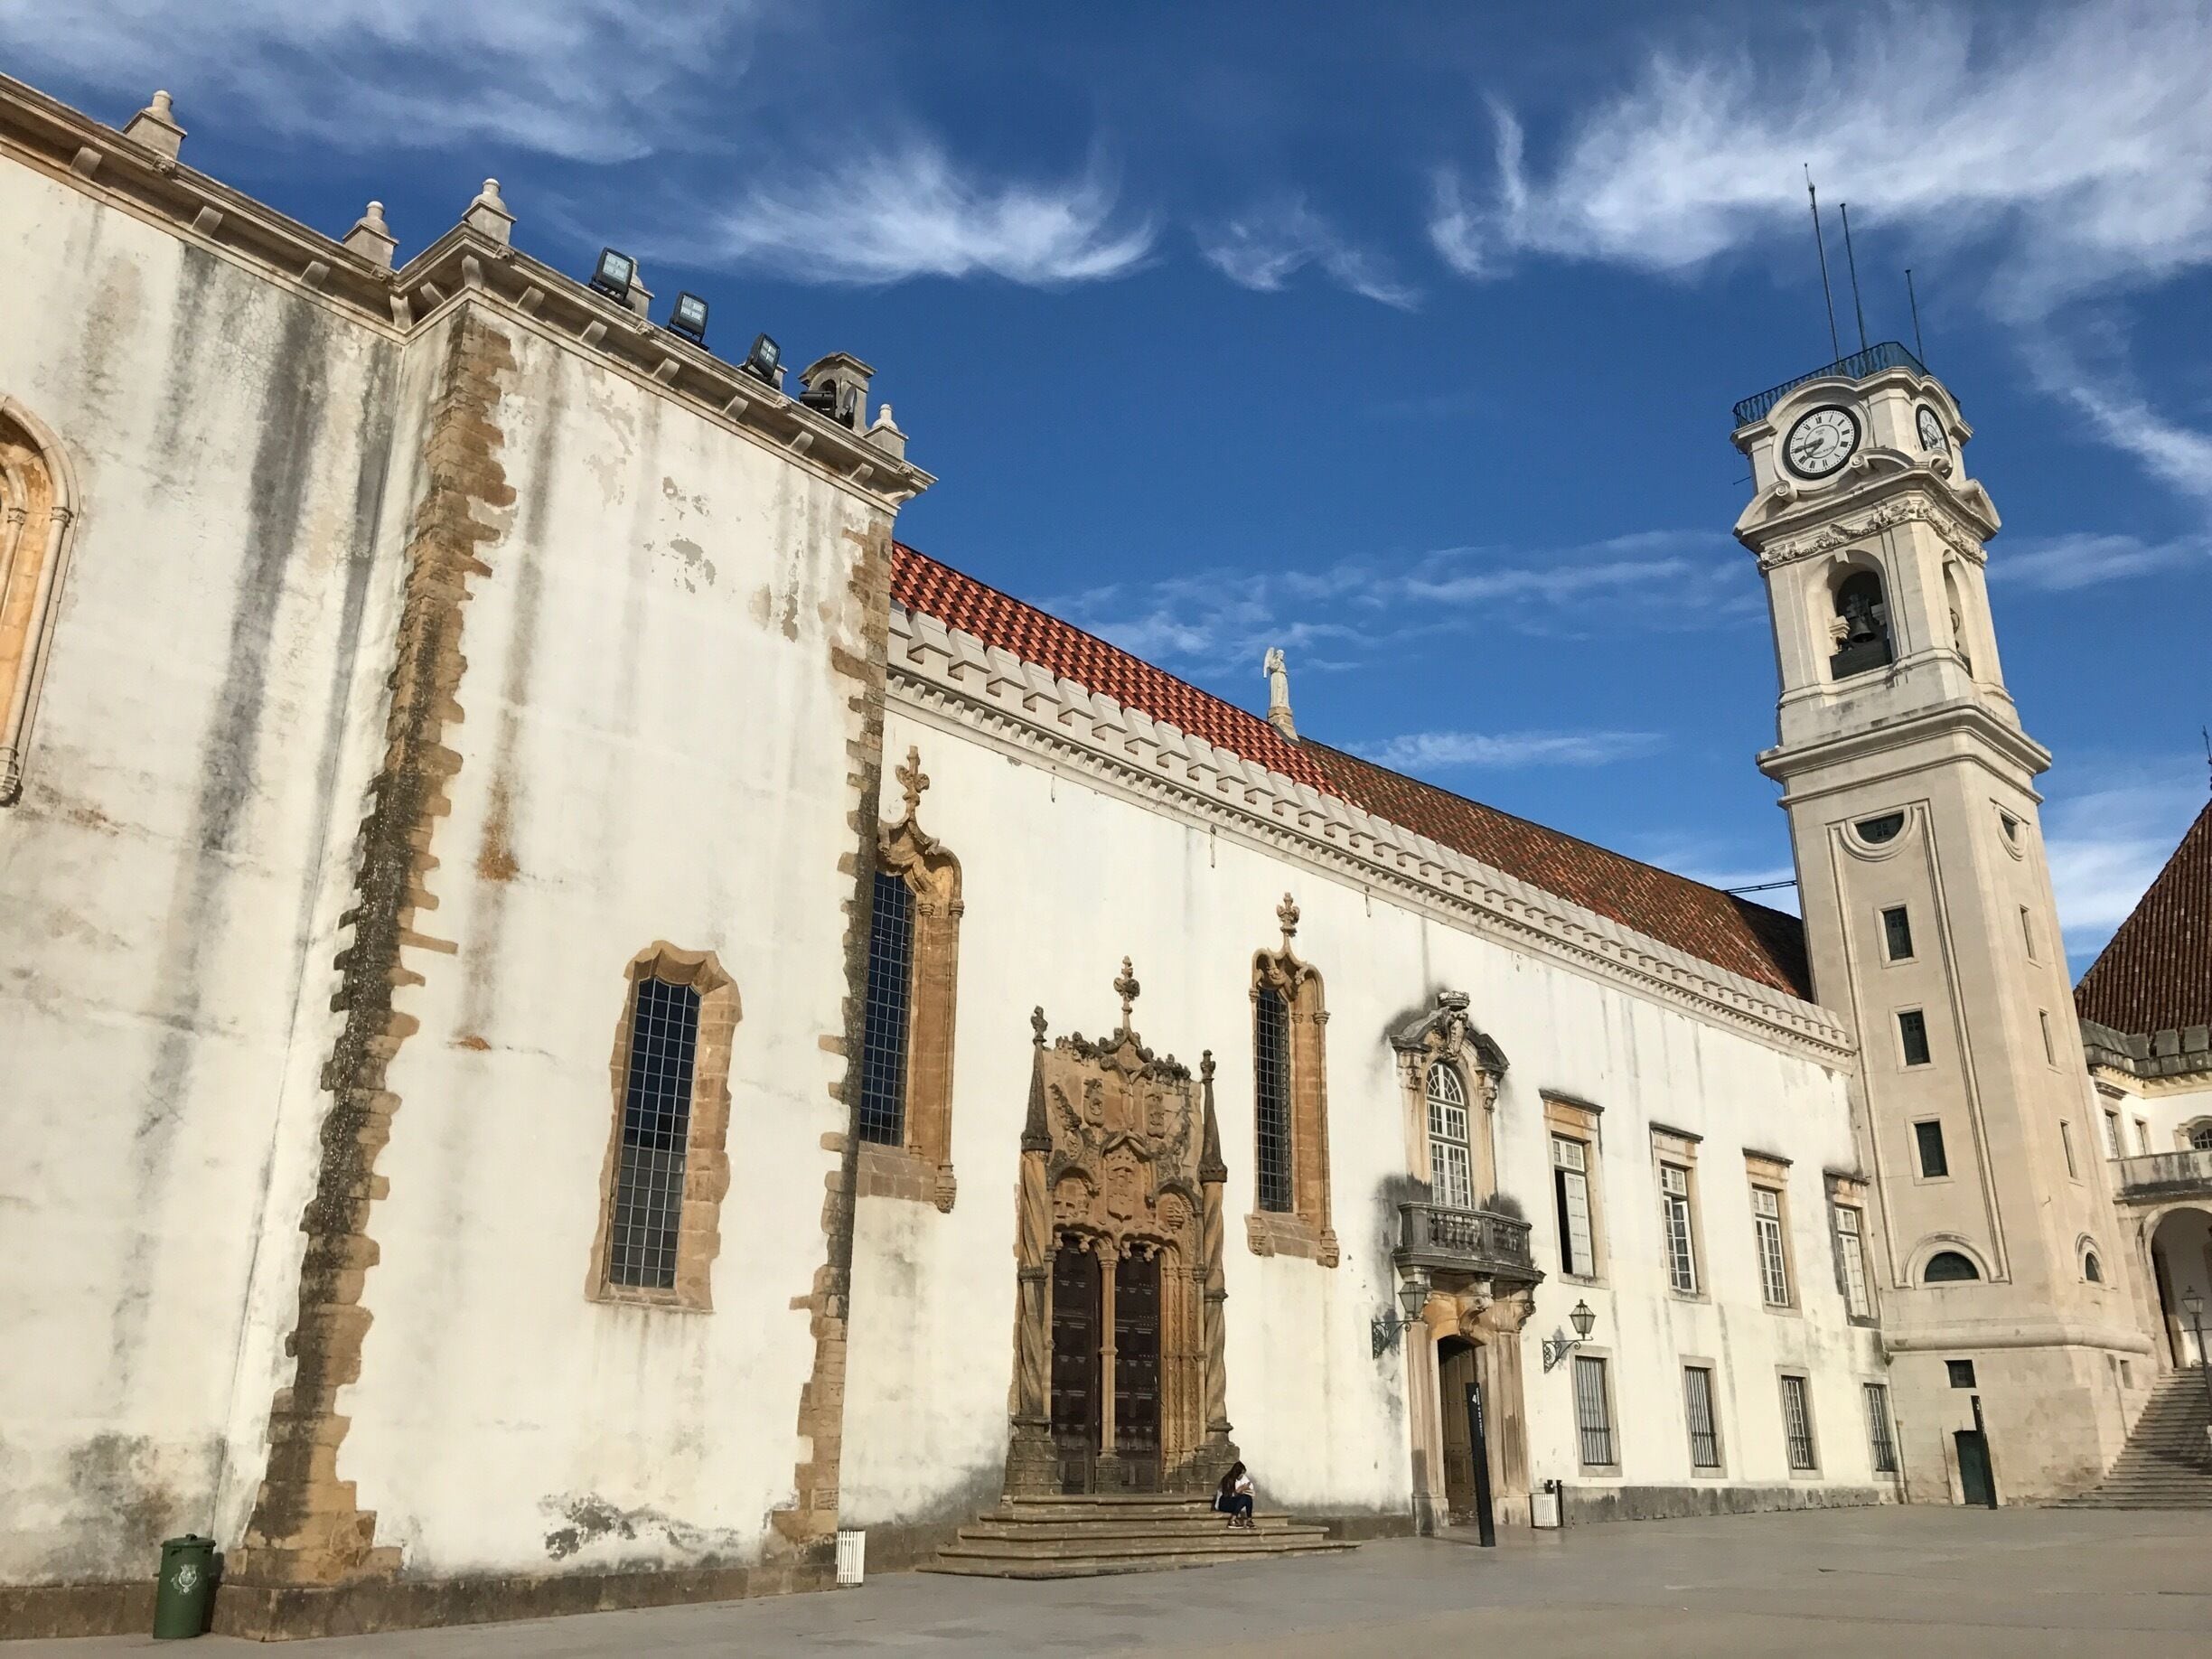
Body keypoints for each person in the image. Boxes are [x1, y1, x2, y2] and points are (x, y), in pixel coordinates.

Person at [1214, 1461, 1255, 1528]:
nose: (1242, 1476)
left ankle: (1249, 1520)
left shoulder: (1237, 1480)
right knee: (1244, 1498)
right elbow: (1228, 1495)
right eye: (1241, 1474)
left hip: (1231, 1502)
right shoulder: (1228, 1480)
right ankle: (1232, 1520)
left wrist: (1244, 1490)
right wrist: (1240, 1489)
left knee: (1248, 1498)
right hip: (1224, 1503)